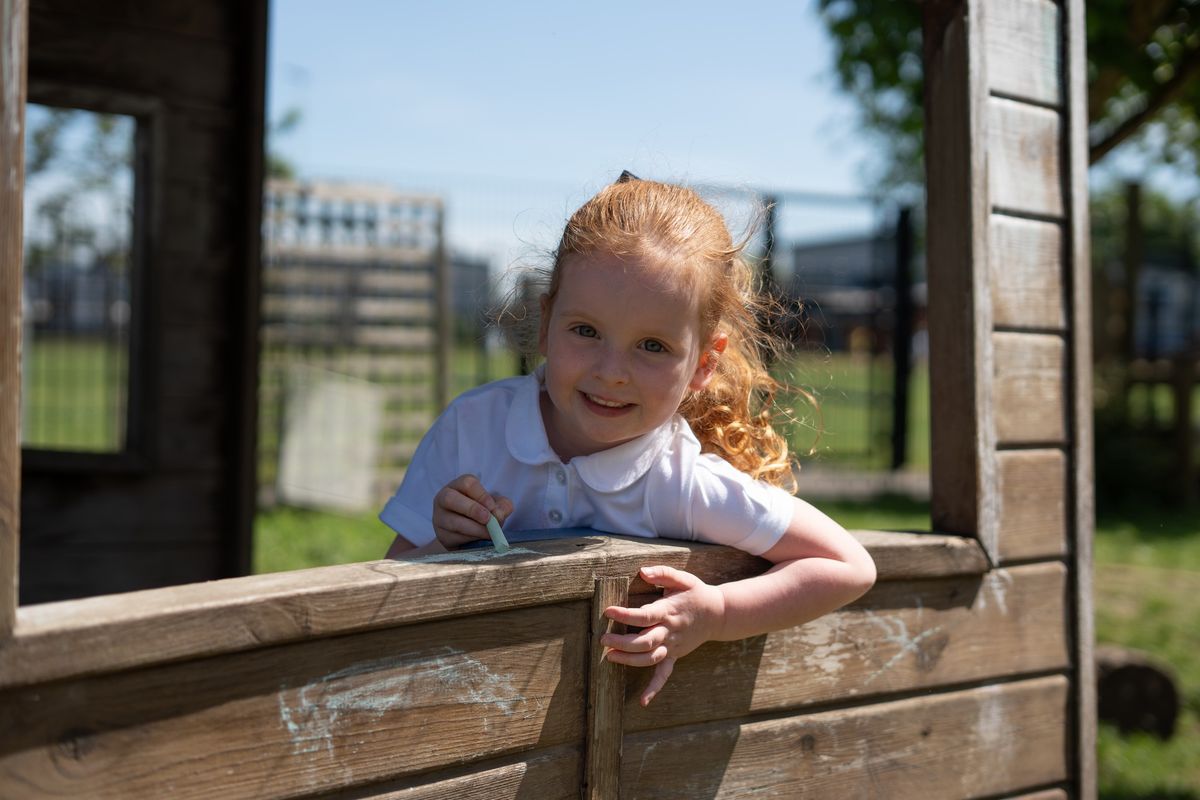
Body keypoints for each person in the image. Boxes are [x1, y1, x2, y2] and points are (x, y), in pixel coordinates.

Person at [381, 173, 876, 706]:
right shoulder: (473, 428)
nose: (612, 371)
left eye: (652, 346)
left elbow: (847, 566)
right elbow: (384, 586)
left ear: (703, 365)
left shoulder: (681, 481)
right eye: (586, 332)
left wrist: (716, 614)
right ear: (547, 322)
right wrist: (446, 547)